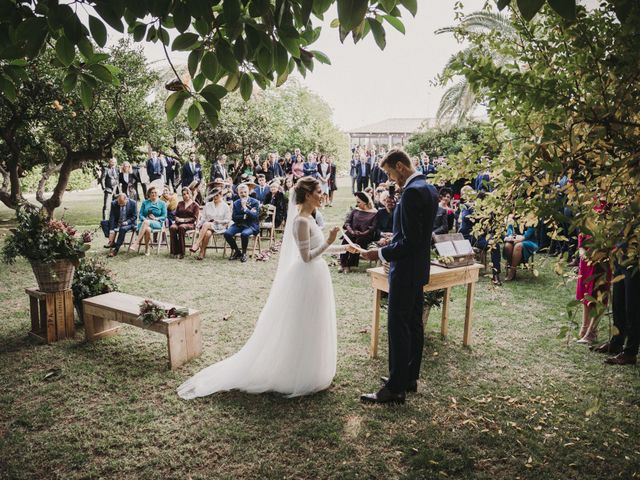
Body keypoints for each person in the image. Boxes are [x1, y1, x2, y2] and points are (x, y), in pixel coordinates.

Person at [177, 177, 351, 400]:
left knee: (315, 323)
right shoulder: (299, 222)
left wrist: (345, 247)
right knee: (303, 324)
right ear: (307, 195)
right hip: (306, 277)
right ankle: (297, 372)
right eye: (318, 191)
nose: (322, 195)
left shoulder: (311, 218)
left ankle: (313, 368)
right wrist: (330, 240)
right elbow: (307, 257)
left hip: (318, 278)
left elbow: (319, 249)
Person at [360, 149, 438, 405]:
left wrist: (380, 253)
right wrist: (395, 214)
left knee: (398, 326)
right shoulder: (427, 187)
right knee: (414, 324)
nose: (391, 179)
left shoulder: (413, 192)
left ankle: (395, 389)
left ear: (401, 167)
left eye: (390, 173)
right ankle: (408, 378)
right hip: (418, 268)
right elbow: (414, 231)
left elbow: (409, 241)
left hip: (405, 269)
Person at [339, 192, 378, 273]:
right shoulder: (355, 210)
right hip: (352, 231)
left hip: (365, 234)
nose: (357, 204)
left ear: (365, 202)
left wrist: (362, 233)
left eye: (358, 202)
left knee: (360, 241)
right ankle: (343, 264)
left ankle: (351, 264)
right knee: (347, 238)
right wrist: (351, 231)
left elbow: (373, 227)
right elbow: (347, 222)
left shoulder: (374, 213)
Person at [189, 188, 232, 260]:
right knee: (208, 233)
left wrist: (219, 221)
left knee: (206, 224)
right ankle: (202, 252)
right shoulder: (208, 205)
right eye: (214, 196)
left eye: (217, 195)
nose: (215, 197)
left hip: (220, 225)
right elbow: (203, 218)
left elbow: (227, 220)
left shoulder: (225, 206)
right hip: (208, 227)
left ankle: (196, 244)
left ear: (221, 195)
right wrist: (199, 224)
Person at [224, 183, 260, 263]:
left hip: (251, 225)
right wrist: (244, 216)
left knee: (244, 234)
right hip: (239, 224)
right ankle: (237, 252)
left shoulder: (255, 202)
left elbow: (254, 216)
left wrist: (245, 209)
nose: (243, 194)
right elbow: (234, 217)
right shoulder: (236, 203)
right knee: (227, 233)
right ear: (238, 193)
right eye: (241, 192)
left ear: (248, 192)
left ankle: (244, 253)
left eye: (245, 192)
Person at [131, 186, 167, 256]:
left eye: (155, 192)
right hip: (145, 223)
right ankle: (147, 248)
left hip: (157, 223)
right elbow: (140, 214)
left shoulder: (162, 203)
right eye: (152, 193)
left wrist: (156, 218)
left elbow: (164, 216)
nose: (154, 194)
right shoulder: (145, 202)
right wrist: (144, 219)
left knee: (146, 222)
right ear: (149, 194)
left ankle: (136, 243)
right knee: (147, 229)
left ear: (158, 194)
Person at [168, 187, 200, 259]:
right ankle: (173, 251)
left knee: (181, 227)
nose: (186, 195)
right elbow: (175, 214)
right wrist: (177, 218)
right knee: (172, 228)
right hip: (178, 222)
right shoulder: (180, 203)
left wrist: (183, 220)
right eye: (184, 194)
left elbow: (194, 218)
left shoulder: (195, 205)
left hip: (190, 224)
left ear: (190, 194)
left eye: (187, 193)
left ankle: (181, 252)